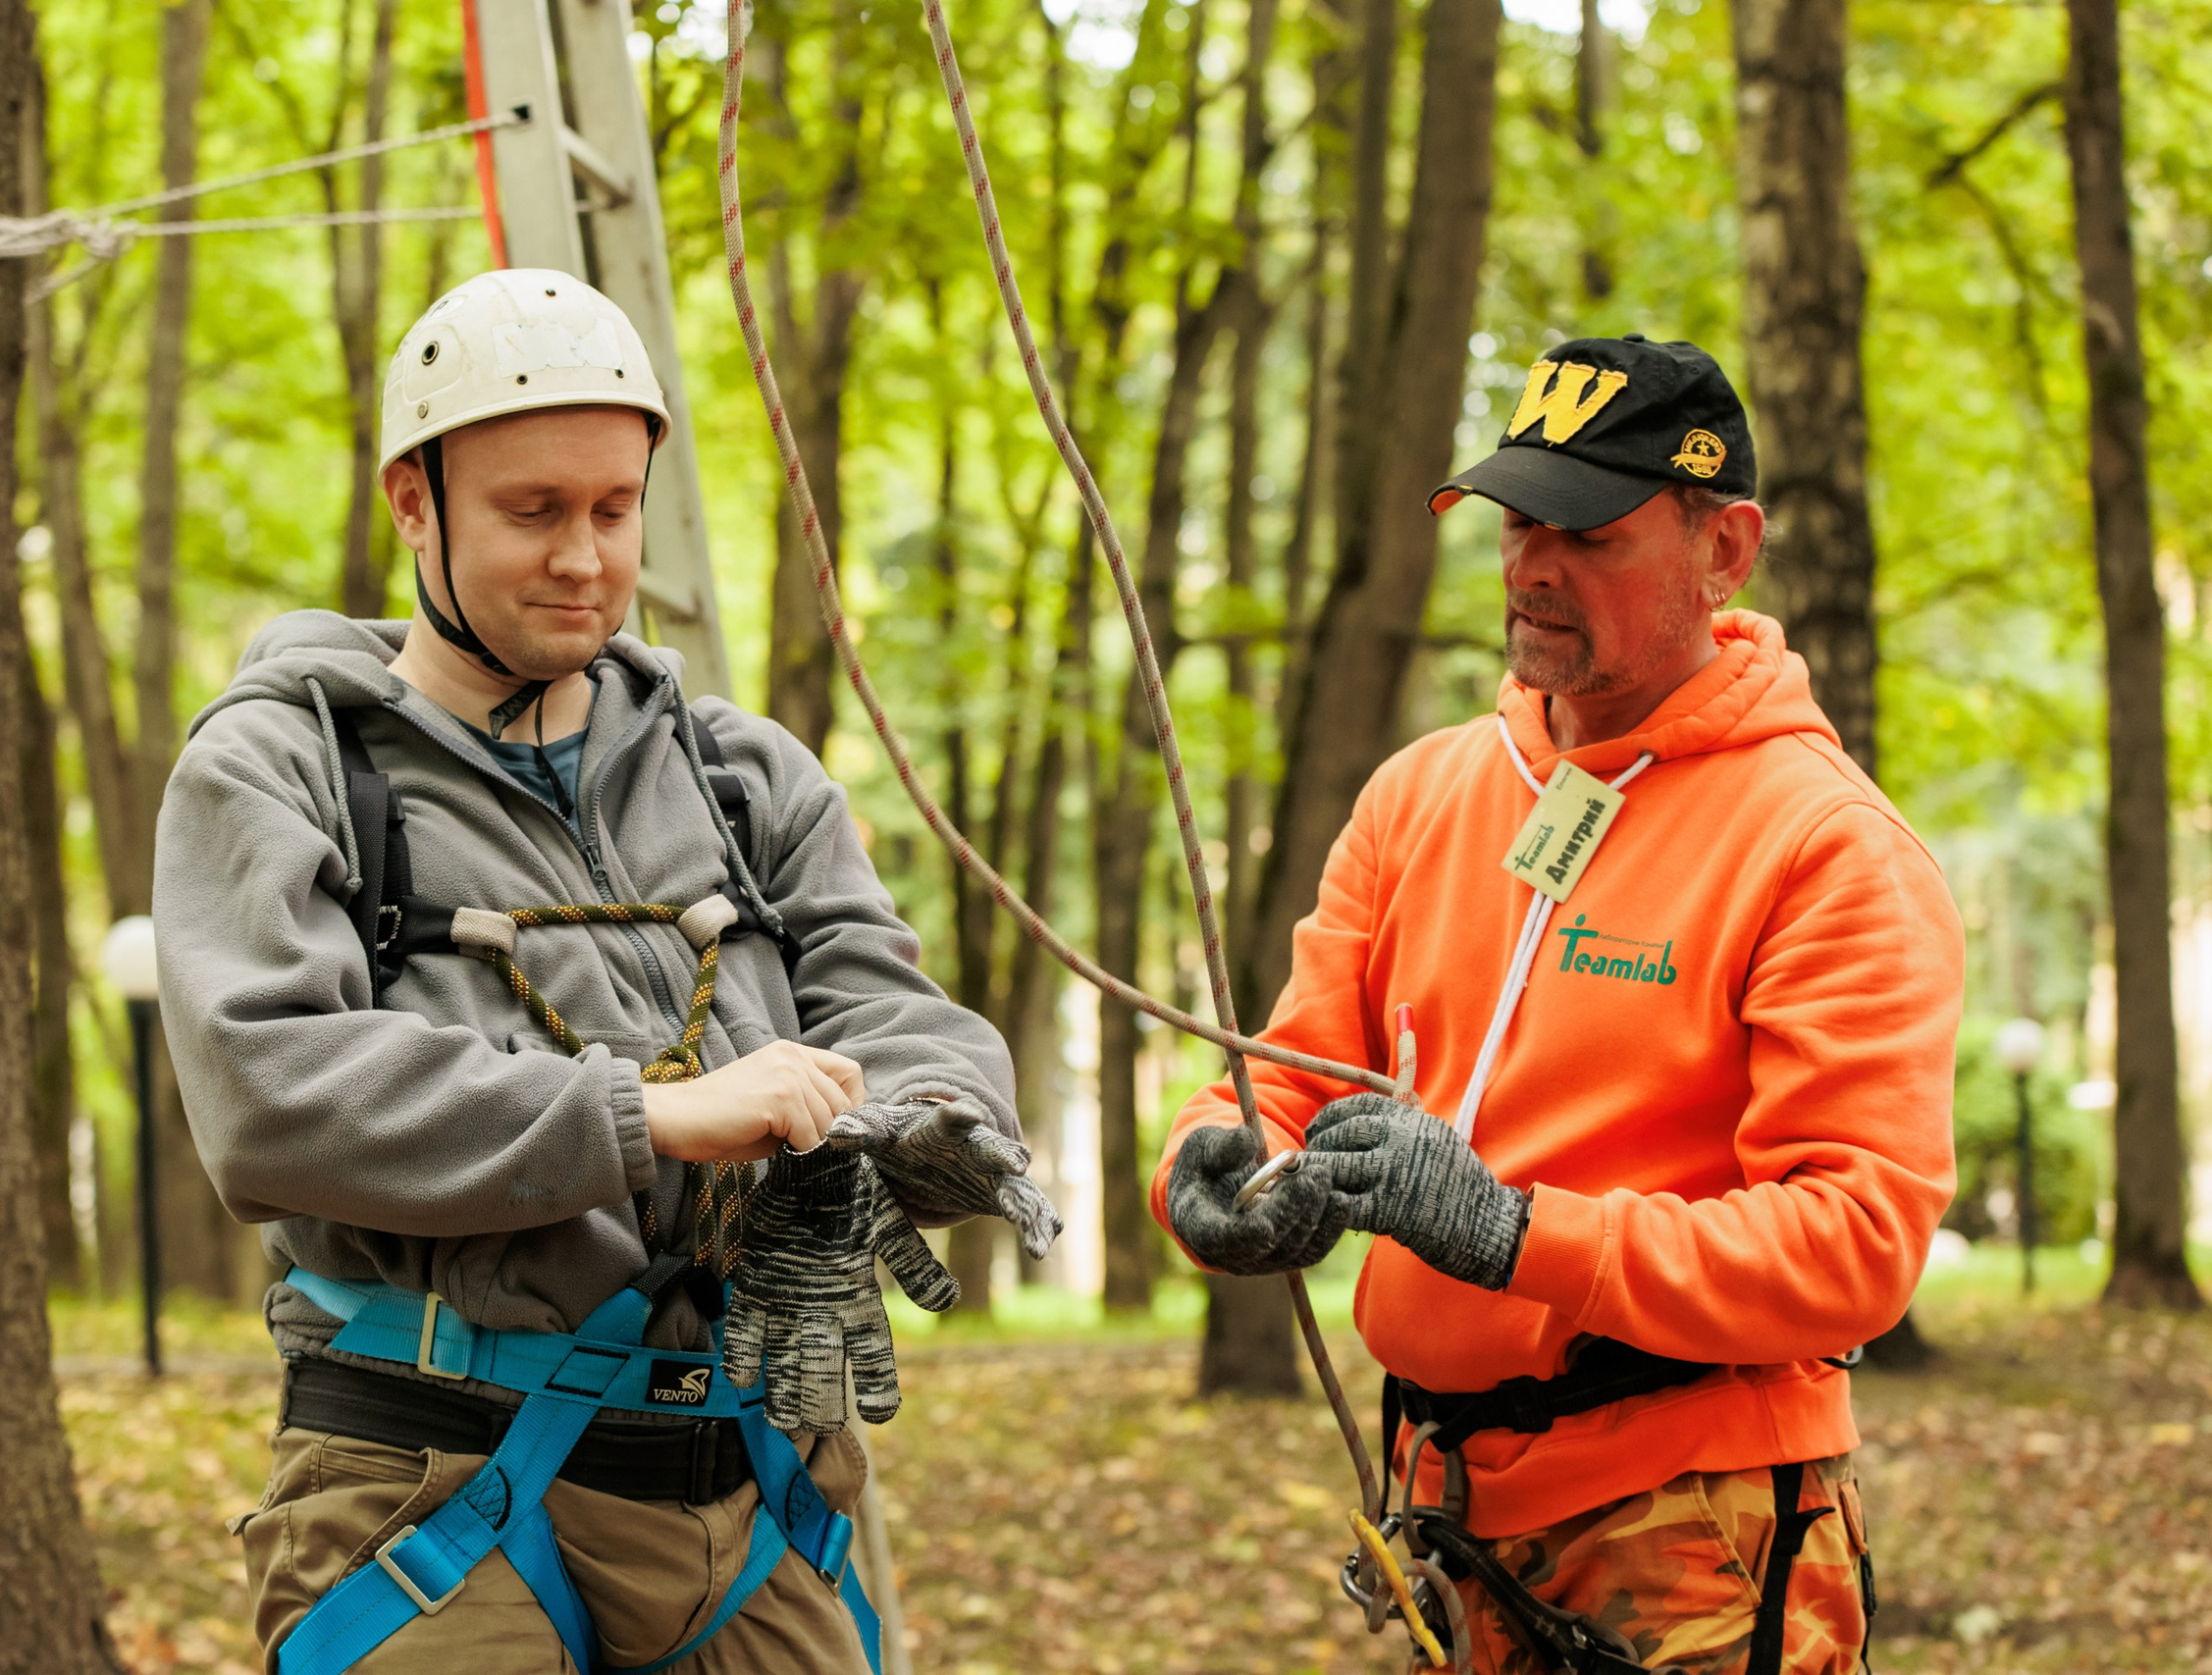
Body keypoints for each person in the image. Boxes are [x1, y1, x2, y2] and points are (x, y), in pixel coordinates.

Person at [152, 268, 1057, 1674]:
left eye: (614, 510)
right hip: (430, 1481)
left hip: (750, 1488)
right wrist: (645, 1116)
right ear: (413, 501)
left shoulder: (740, 777)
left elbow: (890, 1003)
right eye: (533, 512)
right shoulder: (282, 768)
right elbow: (268, 1094)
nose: (583, 558)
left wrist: (916, 1129)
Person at [1153, 336, 1958, 1674]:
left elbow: (1855, 1245)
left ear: (1725, 548)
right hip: (1446, 1519)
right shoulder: (1419, 796)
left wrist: (1513, 1233)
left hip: (1696, 1528)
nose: (1533, 565)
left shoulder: (1826, 845)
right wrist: (1205, 1161)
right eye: (1518, 520)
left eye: (1587, 531)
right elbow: (1290, 1075)